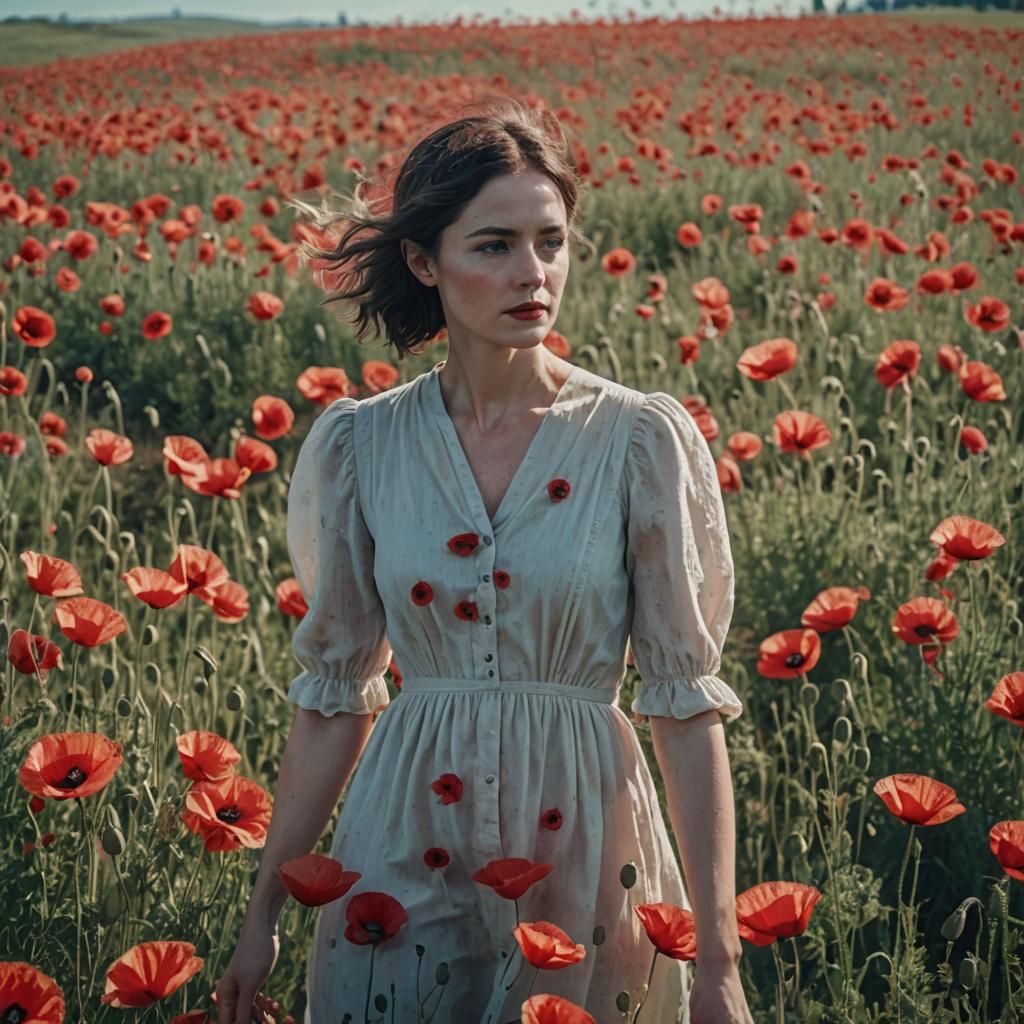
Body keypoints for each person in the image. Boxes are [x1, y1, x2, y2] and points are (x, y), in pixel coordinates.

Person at [216, 97, 754, 1024]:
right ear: (426, 262)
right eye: (495, 245)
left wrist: (719, 963)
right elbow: (335, 699)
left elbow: (685, 707)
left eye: (551, 242)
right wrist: (262, 912)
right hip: (404, 837)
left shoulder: (636, 442)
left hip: (587, 840)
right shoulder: (362, 447)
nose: (533, 275)